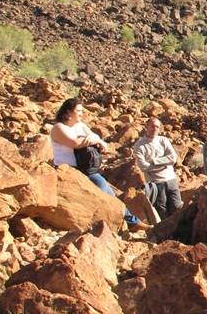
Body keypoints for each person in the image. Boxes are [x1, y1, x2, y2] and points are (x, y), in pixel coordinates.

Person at [49, 98, 139, 228]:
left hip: (86, 169)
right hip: (68, 170)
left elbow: (102, 143)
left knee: (108, 193)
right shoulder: (58, 128)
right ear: (68, 112)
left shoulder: (80, 126)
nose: (81, 114)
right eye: (78, 111)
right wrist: (91, 139)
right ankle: (131, 222)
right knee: (104, 189)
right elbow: (75, 143)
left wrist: (93, 139)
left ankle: (131, 221)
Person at [132, 116, 182, 220]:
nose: (155, 129)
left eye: (157, 127)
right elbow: (143, 166)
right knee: (162, 210)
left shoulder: (163, 140)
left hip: (171, 180)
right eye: (152, 126)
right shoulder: (139, 146)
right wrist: (164, 165)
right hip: (156, 183)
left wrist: (155, 161)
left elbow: (173, 158)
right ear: (146, 127)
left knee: (177, 208)